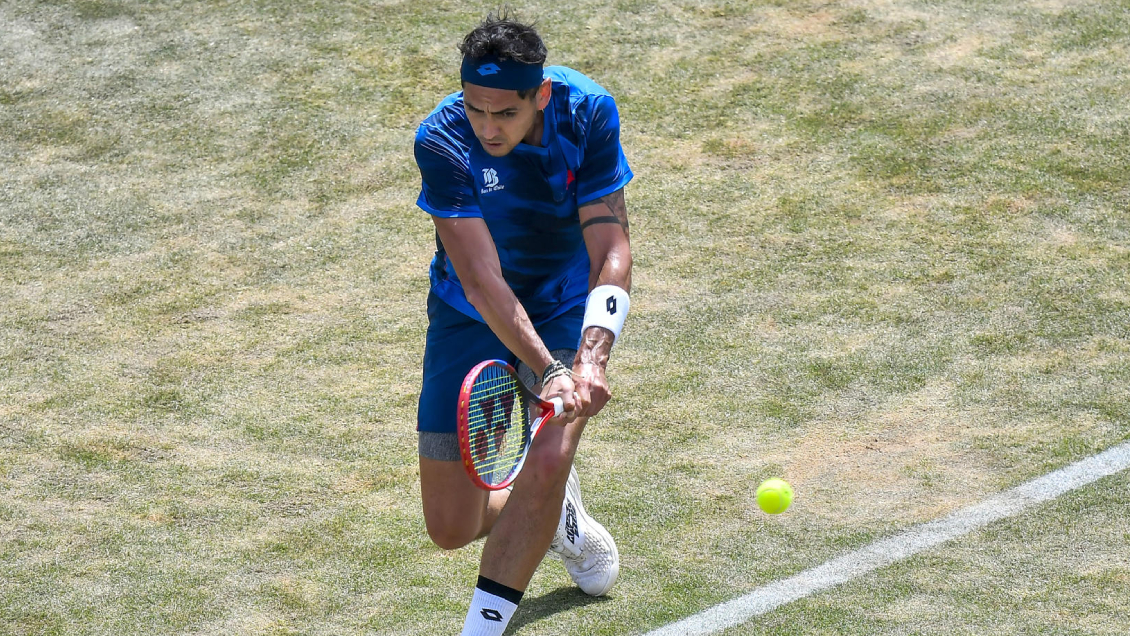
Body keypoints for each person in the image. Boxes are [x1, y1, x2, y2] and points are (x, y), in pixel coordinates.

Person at [412, 9, 634, 636]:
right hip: (470, 309)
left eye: (505, 113)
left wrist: (588, 361)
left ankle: (481, 628)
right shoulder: (441, 139)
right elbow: (483, 282)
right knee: (450, 526)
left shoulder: (587, 112)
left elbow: (611, 250)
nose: (487, 127)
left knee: (549, 451)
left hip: (564, 301)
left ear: (540, 94)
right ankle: (556, 509)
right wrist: (549, 369)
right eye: (475, 110)